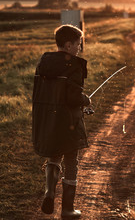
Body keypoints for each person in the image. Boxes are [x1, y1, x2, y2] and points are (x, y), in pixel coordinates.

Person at [32, 24, 91, 218]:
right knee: (71, 160)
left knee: (54, 156)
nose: (79, 48)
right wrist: (85, 100)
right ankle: (67, 209)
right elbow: (73, 97)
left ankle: (49, 192)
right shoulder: (73, 65)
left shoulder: (44, 62)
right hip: (68, 121)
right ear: (67, 45)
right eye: (77, 44)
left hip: (48, 118)